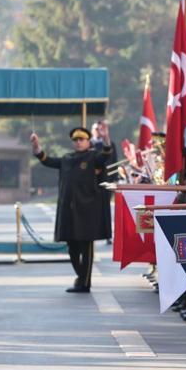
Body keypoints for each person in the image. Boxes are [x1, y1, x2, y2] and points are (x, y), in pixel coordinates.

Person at [31, 125, 113, 292]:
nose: (78, 142)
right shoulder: (67, 159)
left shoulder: (93, 157)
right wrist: (36, 147)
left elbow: (105, 155)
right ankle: (80, 277)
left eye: (81, 139)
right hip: (70, 211)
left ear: (88, 141)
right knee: (72, 248)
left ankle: (85, 283)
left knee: (86, 247)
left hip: (88, 212)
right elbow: (46, 160)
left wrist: (106, 139)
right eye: (75, 140)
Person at [91, 120, 117, 245]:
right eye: (97, 129)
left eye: (101, 129)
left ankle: (108, 235)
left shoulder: (110, 144)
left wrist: (114, 180)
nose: (99, 132)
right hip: (92, 182)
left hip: (106, 181)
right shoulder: (89, 144)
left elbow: (114, 163)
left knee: (105, 209)